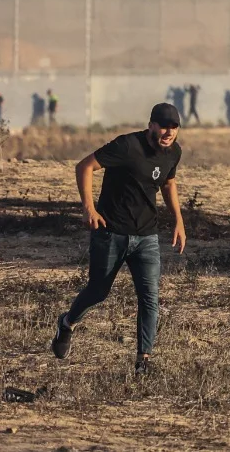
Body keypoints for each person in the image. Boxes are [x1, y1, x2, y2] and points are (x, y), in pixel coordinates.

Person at [51, 102, 185, 374]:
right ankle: (67, 324)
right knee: (98, 291)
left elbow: (169, 182)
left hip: (146, 236)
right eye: (163, 126)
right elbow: (84, 166)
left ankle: (143, 360)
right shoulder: (126, 146)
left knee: (150, 298)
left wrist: (179, 220)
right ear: (151, 125)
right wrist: (89, 209)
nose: (168, 132)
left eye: (173, 127)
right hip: (111, 232)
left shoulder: (173, 152)